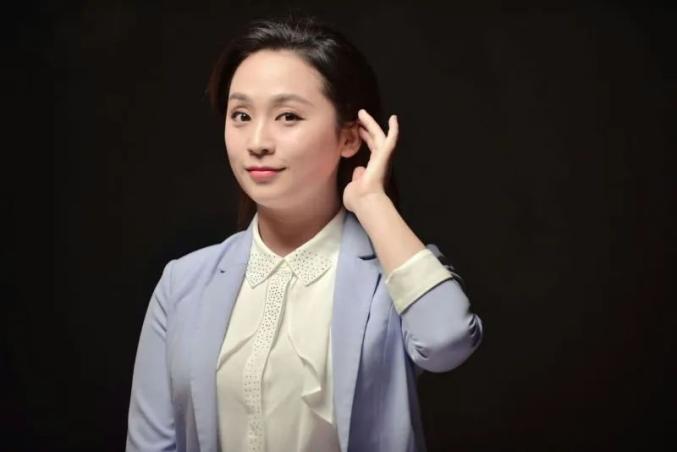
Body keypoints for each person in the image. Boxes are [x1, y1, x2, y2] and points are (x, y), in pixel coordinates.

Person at [126, 12, 483, 452]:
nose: (257, 141)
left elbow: (449, 340)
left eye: (288, 116)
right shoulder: (183, 283)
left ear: (349, 138)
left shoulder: (392, 273)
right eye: (241, 115)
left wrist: (372, 202)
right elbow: (150, 444)